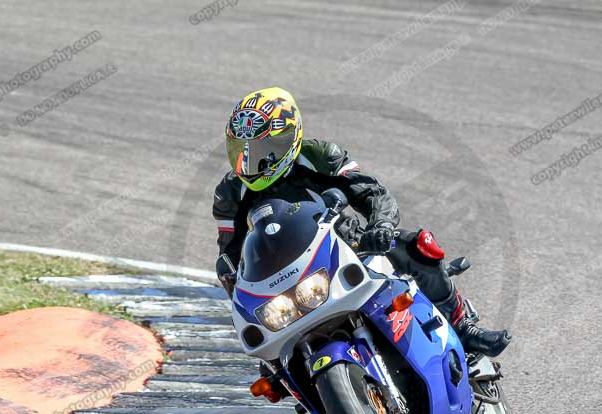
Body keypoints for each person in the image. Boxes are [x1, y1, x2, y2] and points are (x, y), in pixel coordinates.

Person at [213, 87, 511, 364]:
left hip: (346, 246)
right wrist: (235, 286)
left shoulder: (320, 156)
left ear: (291, 137)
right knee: (271, 365)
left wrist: (380, 224)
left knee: (420, 247)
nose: (255, 161)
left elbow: (371, 193)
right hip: (281, 278)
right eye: (245, 150)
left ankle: (463, 327)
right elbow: (231, 258)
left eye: (267, 147)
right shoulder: (229, 193)